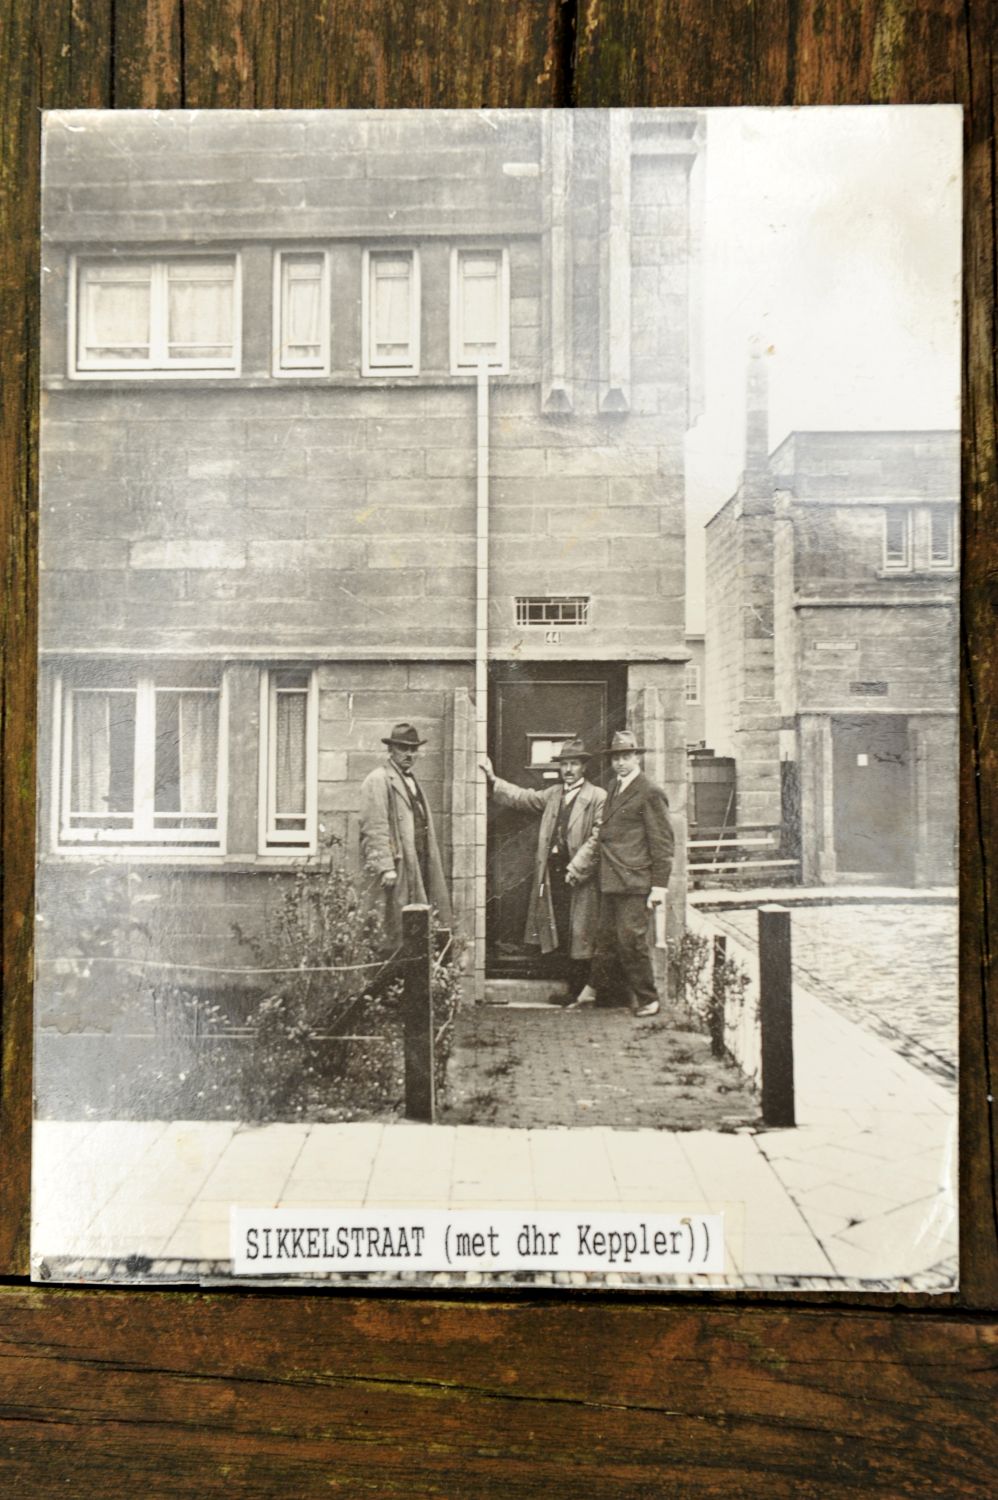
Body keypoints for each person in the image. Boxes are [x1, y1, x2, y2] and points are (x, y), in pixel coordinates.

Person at [480, 738, 605, 1006]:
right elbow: (524, 798)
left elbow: (598, 838)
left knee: (581, 931)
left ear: (584, 767)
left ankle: (581, 991)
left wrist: (577, 867)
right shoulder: (553, 794)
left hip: (580, 875)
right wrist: (493, 780)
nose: (568, 769)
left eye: (574, 764)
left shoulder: (597, 797)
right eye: (565, 764)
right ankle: (568, 988)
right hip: (553, 874)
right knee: (558, 928)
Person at [576, 728, 673, 1019]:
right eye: (616, 757)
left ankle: (649, 999)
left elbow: (663, 842)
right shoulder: (614, 787)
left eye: (626, 756)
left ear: (637, 758)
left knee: (631, 940)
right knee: (605, 939)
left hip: (634, 880)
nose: (620, 762)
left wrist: (659, 886)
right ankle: (591, 992)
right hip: (611, 878)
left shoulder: (650, 792)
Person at [359, 722, 452, 951]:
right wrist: (385, 867)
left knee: (417, 920)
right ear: (391, 750)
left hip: (418, 862)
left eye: (413, 749)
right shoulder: (379, 779)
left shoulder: (411, 780)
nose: (409, 754)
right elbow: (374, 826)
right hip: (397, 866)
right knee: (393, 926)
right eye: (403, 748)